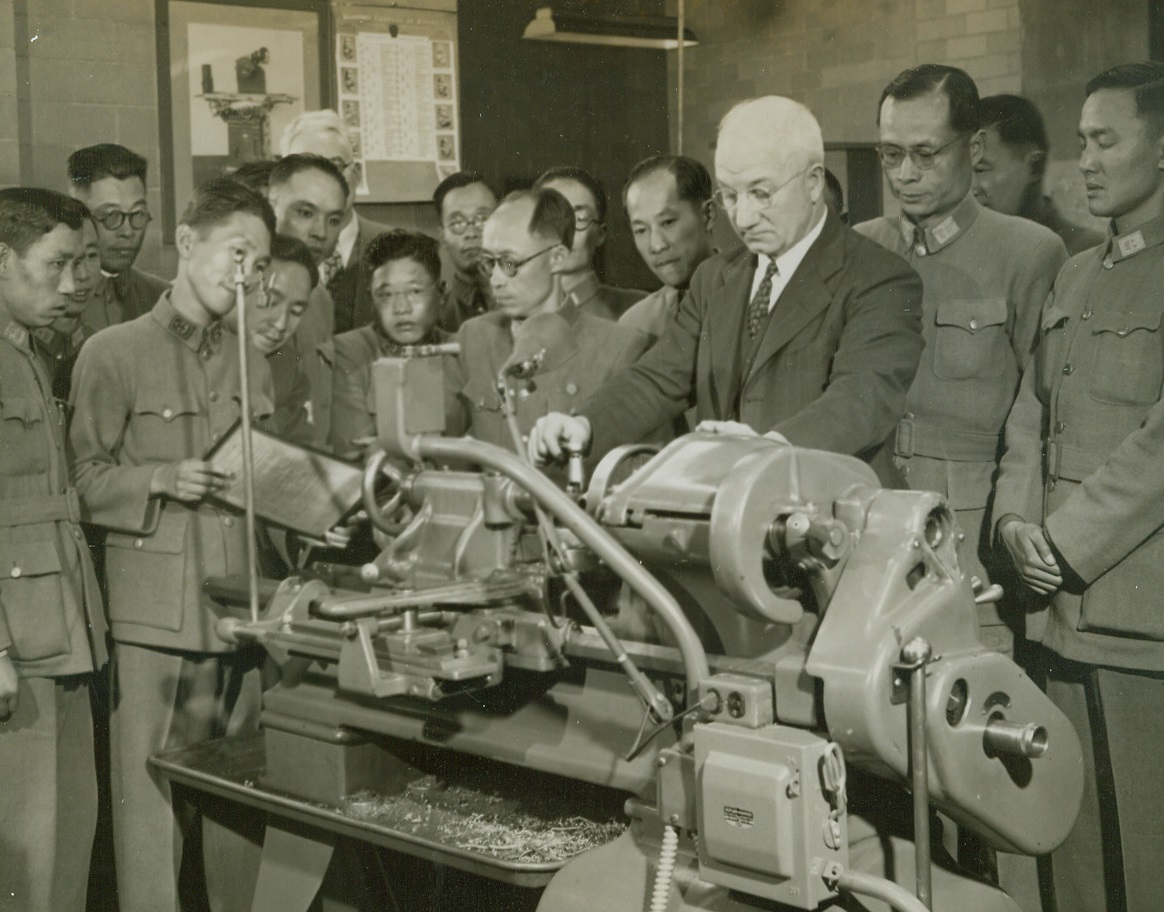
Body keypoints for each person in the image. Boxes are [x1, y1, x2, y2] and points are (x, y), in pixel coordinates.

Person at [531, 96, 924, 490]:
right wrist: (585, 425)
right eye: (730, 196)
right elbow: (657, 378)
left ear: (813, 183)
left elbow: (862, 398)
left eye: (761, 193)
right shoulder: (714, 278)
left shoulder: (880, 278)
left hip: (832, 507)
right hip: (737, 511)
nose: (743, 218)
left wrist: (769, 450)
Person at [70, 178, 277, 912]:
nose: (247, 275)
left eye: (261, 263)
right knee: (149, 813)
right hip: (155, 619)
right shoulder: (112, 352)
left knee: (240, 805)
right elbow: (82, 482)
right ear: (187, 242)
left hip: (241, 613)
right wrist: (161, 477)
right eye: (237, 253)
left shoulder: (252, 358)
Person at [993, 61, 1164, 912]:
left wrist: (1062, 542)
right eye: (1082, 141)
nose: (1085, 161)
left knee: (1148, 859)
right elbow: (1029, 412)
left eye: (1106, 140)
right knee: (1070, 857)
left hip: (1140, 629)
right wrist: (1014, 522)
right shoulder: (1074, 272)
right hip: (1051, 615)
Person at [854, 66, 1067, 628]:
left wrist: (1018, 524)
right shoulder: (860, 250)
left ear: (973, 149)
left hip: (971, 541)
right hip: (868, 526)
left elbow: (1042, 415)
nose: (905, 174)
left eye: (925, 154)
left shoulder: (1029, 253)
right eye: (891, 154)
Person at [0, 187, 108, 912]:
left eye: (80, 265)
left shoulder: (29, 352)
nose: (73, 284)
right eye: (56, 265)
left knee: (69, 838)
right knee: (27, 856)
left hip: (59, 630)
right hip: (18, 644)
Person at [446, 187, 650, 458]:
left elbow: (646, 466)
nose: (495, 280)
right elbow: (437, 441)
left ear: (557, 258)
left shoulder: (620, 348)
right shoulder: (475, 337)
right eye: (488, 263)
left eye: (509, 263)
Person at [331, 230, 448, 456]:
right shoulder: (349, 351)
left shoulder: (461, 350)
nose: (401, 308)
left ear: (441, 292)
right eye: (386, 295)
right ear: (371, 298)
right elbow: (356, 448)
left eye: (414, 291)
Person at [280, 109, 392, 334]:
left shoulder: (396, 247)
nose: (324, 184)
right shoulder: (272, 255)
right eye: (306, 170)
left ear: (357, 174)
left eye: (335, 167)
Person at [266, 152, 349, 443]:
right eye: (305, 213)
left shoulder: (321, 300)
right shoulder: (233, 295)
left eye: (334, 220)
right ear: (269, 208)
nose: (321, 232)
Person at [975, 93, 1106, 256]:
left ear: (1034, 167)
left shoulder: (1088, 253)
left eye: (980, 170)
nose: (969, 187)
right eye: (963, 172)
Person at [226, 233, 319, 444]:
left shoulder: (287, 369)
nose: (281, 324)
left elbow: (300, 449)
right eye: (270, 302)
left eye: (296, 312)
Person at [66, 143, 170, 329]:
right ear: (78, 217)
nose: (127, 232)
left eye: (138, 214)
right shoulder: (49, 303)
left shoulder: (163, 299)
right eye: (111, 216)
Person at [619, 154, 716, 343]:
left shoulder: (754, 298)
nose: (656, 245)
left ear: (708, 215)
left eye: (668, 222)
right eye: (641, 230)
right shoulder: (635, 325)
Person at [534, 166, 646, 320]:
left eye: (580, 218)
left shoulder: (640, 310)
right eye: (550, 218)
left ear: (600, 234)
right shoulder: (510, 314)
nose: (564, 232)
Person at [31, 213, 101, 399]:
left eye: (91, 255)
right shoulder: (18, 351)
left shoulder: (104, 348)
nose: (83, 274)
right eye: (62, 261)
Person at [433, 169, 497, 333]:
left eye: (482, 219)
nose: (471, 233)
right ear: (442, 235)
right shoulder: (436, 318)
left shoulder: (529, 300)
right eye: (457, 223)